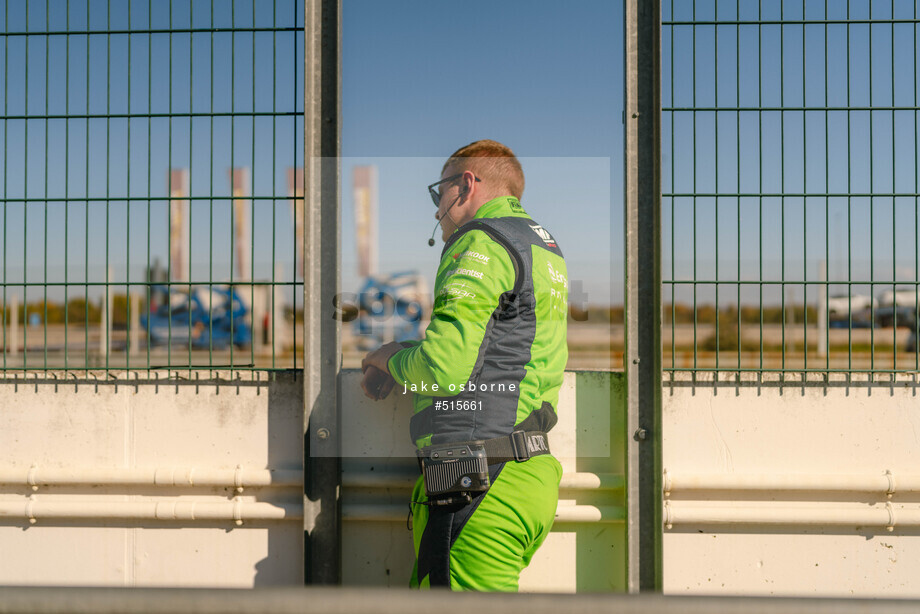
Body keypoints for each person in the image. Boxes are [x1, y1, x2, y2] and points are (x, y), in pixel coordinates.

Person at [361, 139, 568, 591]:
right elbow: (496, 347)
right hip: (527, 476)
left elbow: (444, 368)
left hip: (477, 481)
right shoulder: (544, 247)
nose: (437, 210)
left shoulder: (480, 240)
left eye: (440, 194)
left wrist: (388, 357)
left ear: (466, 185)